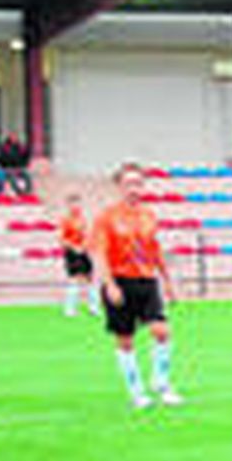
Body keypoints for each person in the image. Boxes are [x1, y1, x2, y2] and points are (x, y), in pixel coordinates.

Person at [90, 162, 183, 409]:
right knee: (125, 340)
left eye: (138, 183)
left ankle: (161, 383)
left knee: (161, 331)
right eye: (129, 183)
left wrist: (167, 281)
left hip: (146, 280)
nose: (134, 188)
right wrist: (110, 285)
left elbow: (155, 250)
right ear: (119, 186)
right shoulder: (106, 217)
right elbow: (99, 253)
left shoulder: (149, 215)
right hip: (120, 281)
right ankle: (137, 392)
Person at [58, 192, 100, 318]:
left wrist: (86, 246)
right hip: (72, 253)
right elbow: (61, 239)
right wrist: (74, 247)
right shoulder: (65, 220)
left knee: (91, 278)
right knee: (74, 279)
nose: (76, 207)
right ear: (68, 206)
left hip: (83, 252)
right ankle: (69, 309)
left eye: (78, 204)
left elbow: (87, 235)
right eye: (73, 204)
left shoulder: (83, 219)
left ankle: (94, 308)